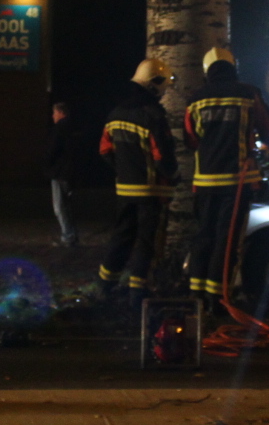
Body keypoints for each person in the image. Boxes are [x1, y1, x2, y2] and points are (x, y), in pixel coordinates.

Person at [184, 48, 269, 304]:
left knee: (204, 236)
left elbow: (191, 139)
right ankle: (217, 299)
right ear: (232, 67)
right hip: (237, 183)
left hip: (204, 183)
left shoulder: (195, 99)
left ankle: (196, 295)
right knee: (227, 242)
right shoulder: (249, 93)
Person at [94, 59, 177, 304]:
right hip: (150, 192)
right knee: (145, 241)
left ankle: (105, 285)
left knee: (121, 236)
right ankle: (137, 291)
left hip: (124, 191)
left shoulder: (115, 114)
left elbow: (104, 150)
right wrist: (172, 176)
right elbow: (163, 157)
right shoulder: (153, 116)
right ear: (155, 85)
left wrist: (123, 171)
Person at [46, 102, 86, 247]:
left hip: (60, 172)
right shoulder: (75, 128)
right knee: (68, 205)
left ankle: (68, 236)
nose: (53, 116)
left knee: (59, 206)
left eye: (54, 113)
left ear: (61, 113)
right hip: (72, 172)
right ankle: (72, 234)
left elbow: (52, 150)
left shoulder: (59, 128)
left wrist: (47, 164)